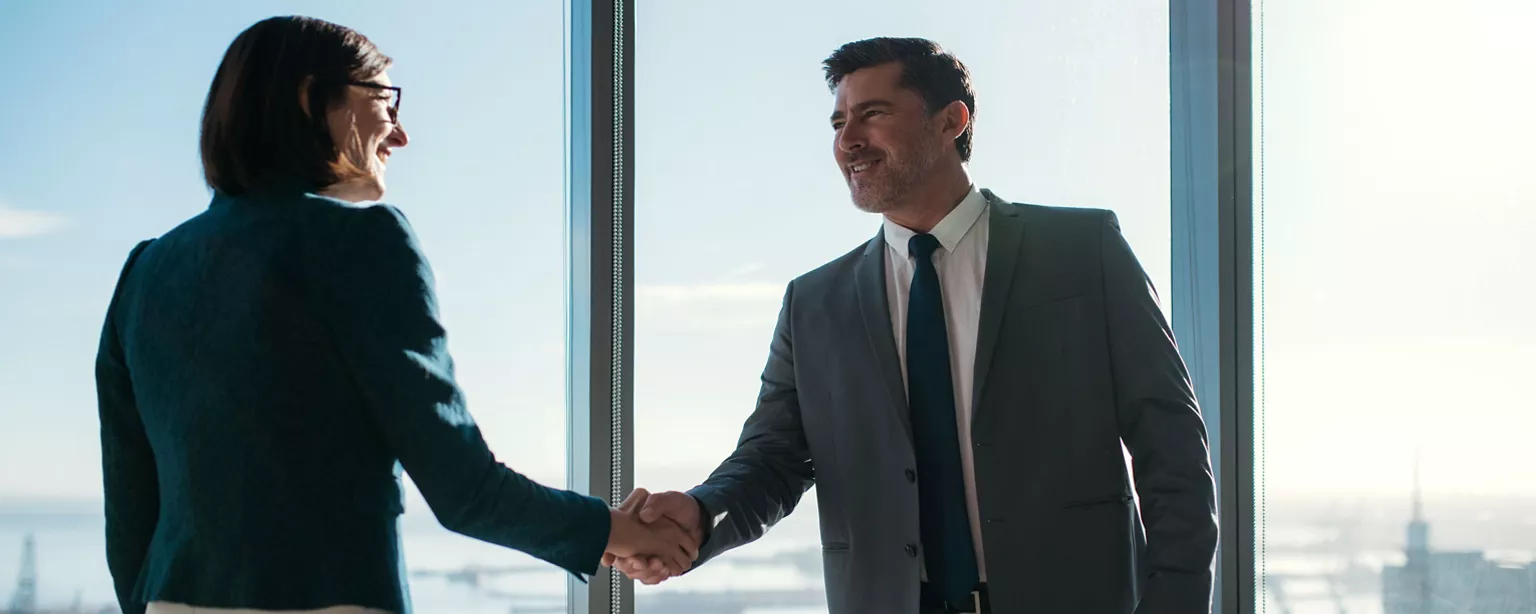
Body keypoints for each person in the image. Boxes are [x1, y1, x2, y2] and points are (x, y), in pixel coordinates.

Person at [94, 16, 695, 614]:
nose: (400, 135)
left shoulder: (144, 273)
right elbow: (464, 490)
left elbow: (129, 522)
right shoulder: (361, 242)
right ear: (310, 97)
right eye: (385, 99)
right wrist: (622, 533)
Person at [607, 37, 1218, 613]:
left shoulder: (1083, 250)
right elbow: (772, 459)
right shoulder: (813, 303)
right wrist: (700, 511)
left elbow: (1171, 445)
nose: (849, 141)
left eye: (872, 114)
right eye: (838, 123)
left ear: (952, 121)